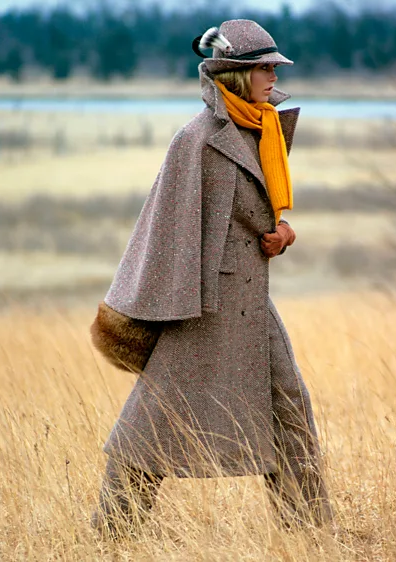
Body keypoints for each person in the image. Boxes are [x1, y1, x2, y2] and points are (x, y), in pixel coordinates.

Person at [91, 19, 333, 538]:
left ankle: (311, 535)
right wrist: (152, 309)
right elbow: (164, 233)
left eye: (274, 67)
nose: (274, 76)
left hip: (251, 301)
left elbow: (261, 216)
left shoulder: (262, 128)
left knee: (289, 407)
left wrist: (283, 232)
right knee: (152, 425)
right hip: (199, 308)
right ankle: (111, 534)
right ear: (238, 74)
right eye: (266, 67)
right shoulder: (197, 140)